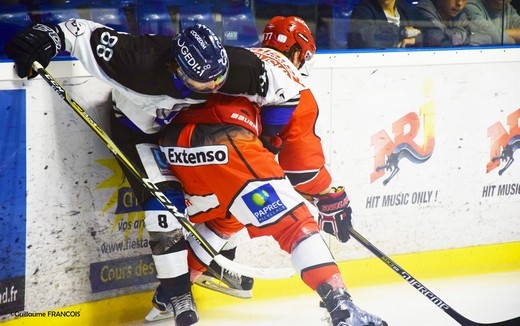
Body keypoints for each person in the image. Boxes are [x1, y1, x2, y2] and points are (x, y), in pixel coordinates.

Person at [156, 16, 387, 326]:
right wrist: (330, 197)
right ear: (298, 54)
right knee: (294, 224)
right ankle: (343, 308)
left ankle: (170, 294)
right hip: (225, 144)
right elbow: (303, 168)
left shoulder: (238, 59)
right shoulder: (288, 78)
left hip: (172, 148)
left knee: (226, 218)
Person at [347, 0, 423, 48]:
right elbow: (366, 37)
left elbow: (432, 32)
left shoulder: (407, 9)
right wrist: (404, 32)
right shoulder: (362, 10)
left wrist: (417, 40)